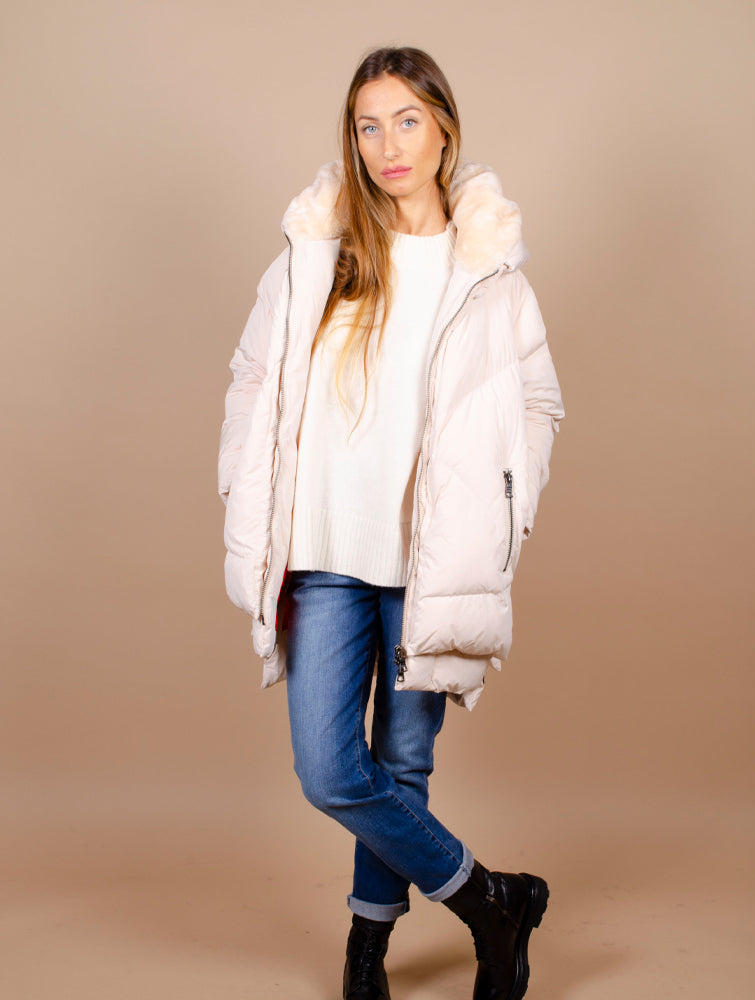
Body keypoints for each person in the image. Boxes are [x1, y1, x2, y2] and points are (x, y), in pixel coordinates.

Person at [218, 46, 564, 1000]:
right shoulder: (318, 254)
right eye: (368, 126)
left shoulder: (487, 272)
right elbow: (254, 378)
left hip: (427, 560)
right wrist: (244, 482)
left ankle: (366, 952)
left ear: (444, 127)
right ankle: (490, 898)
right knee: (330, 771)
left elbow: (539, 404)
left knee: (402, 762)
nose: (387, 145)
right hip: (325, 553)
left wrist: (503, 510)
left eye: (406, 120)